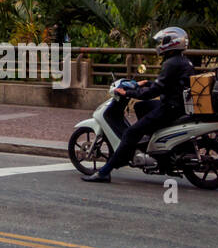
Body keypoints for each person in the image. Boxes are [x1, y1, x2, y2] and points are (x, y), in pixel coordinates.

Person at [83, 26, 195, 183]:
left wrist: (127, 93)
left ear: (171, 43)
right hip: (175, 106)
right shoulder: (184, 61)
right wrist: (146, 83)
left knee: (130, 134)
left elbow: (153, 92)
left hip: (169, 109)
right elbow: (167, 85)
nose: (160, 44)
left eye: (163, 41)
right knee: (140, 107)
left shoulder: (171, 63)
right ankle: (149, 140)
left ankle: (105, 172)